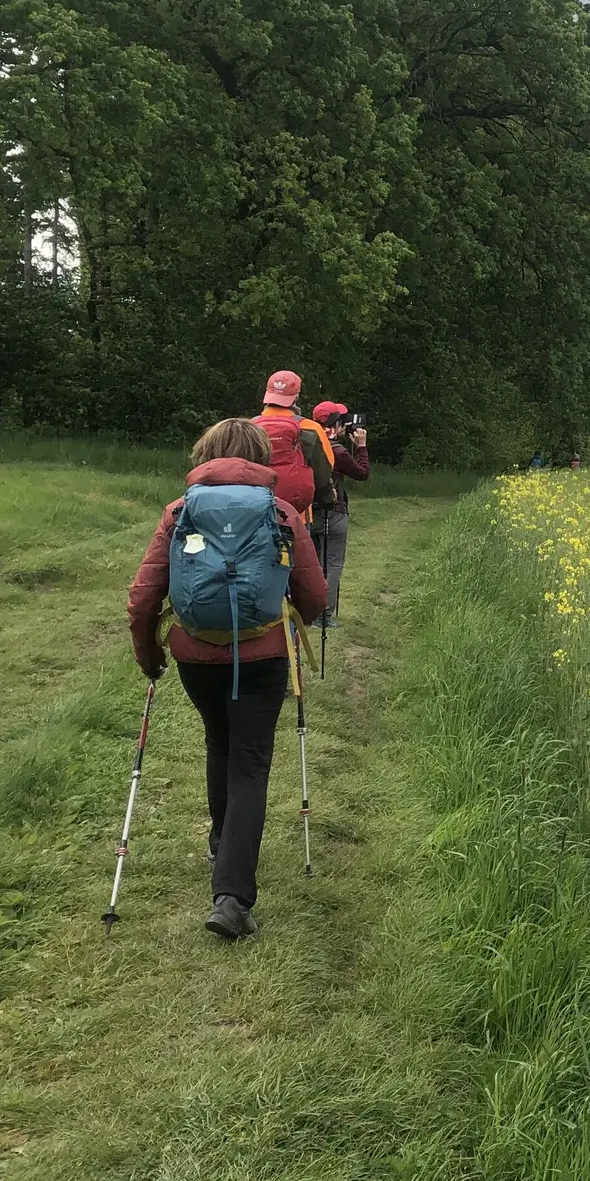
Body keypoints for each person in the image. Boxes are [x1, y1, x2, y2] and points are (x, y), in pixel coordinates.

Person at [127, 418, 326, 940]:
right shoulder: (279, 512)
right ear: (260, 458)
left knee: (219, 741)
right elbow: (315, 594)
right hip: (262, 655)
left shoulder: (180, 512)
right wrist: (295, 617)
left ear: (206, 455)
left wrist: (150, 656)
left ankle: (223, 842)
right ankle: (232, 896)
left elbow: (144, 597)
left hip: (198, 655)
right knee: (251, 763)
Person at [309, 400, 370, 627]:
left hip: (308, 512)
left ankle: (308, 611)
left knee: (312, 565)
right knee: (332, 564)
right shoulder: (337, 451)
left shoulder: (305, 443)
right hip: (333, 513)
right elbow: (362, 474)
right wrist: (362, 447)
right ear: (334, 424)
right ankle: (324, 616)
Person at [252, 370, 335, 517]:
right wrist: (327, 497)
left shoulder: (249, 426)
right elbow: (323, 471)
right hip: (296, 511)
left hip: (254, 505)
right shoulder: (311, 427)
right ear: (296, 395)